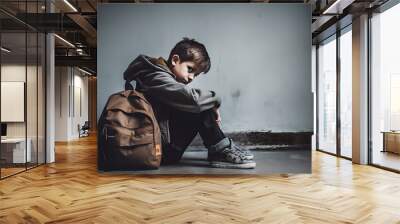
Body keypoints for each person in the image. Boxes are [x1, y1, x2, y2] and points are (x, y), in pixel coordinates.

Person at [123, 38, 256, 169]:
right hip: (156, 152)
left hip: (159, 147)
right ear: (175, 60)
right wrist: (214, 101)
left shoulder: (158, 75)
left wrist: (209, 103)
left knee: (200, 103)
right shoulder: (155, 76)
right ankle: (220, 150)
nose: (192, 77)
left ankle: (221, 148)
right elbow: (194, 100)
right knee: (199, 104)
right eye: (190, 69)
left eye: (196, 75)